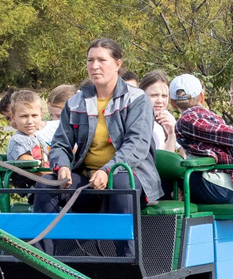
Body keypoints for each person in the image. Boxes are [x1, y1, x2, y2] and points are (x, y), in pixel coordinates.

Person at [48, 39, 162, 218]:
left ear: (117, 64)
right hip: (87, 178)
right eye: (90, 60)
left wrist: (107, 170)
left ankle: (127, 246)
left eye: (101, 60)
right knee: (46, 186)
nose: (94, 66)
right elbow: (60, 144)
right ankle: (36, 247)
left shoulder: (137, 99)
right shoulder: (75, 103)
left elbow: (137, 145)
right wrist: (62, 166)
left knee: (120, 183)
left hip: (129, 175)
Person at [169, 72, 233, 207]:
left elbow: (224, 134)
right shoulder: (215, 117)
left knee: (166, 176)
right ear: (202, 97)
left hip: (221, 187)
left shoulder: (185, 121)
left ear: (172, 103)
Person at [0, 89, 49, 172]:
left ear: (41, 115)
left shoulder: (38, 138)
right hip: (32, 182)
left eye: (34, 115)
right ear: (14, 117)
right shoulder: (19, 141)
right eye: (24, 116)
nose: (30, 121)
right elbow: (31, 169)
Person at [138, 70, 182, 154]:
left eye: (164, 96)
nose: (160, 101)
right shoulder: (137, 119)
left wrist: (171, 134)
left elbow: (168, 159)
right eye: (154, 95)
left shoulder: (167, 116)